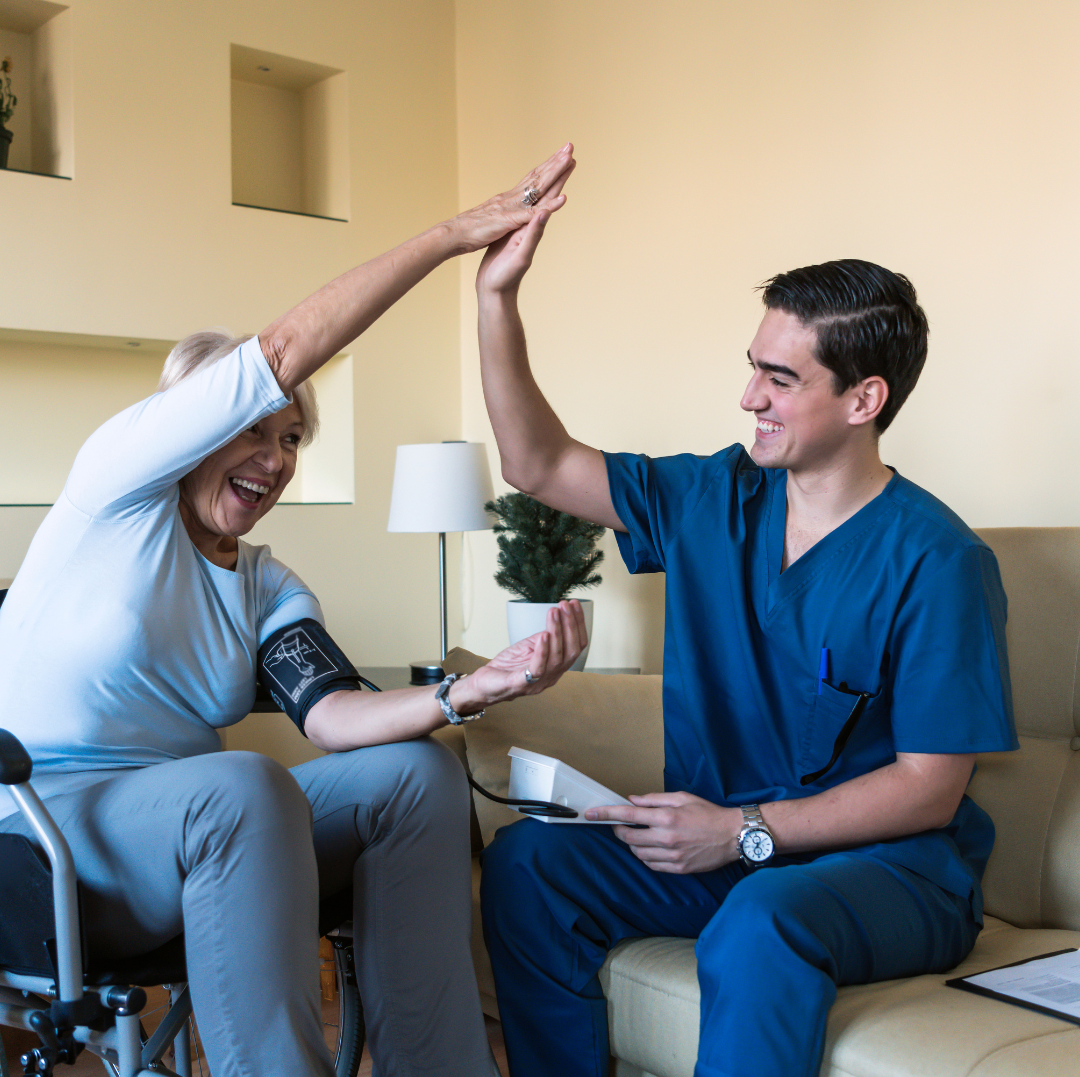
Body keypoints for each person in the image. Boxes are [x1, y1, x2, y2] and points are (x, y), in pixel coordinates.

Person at [0, 145, 583, 1077]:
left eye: (291, 439)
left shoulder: (266, 581)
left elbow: (334, 714)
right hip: (47, 840)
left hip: (204, 832)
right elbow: (281, 352)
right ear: (185, 430)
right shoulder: (114, 492)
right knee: (243, 786)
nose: (273, 459)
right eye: (251, 429)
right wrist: (446, 239)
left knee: (414, 777)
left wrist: (475, 690)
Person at [472, 204, 1018, 1077]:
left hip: (893, 874)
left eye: (780, 378)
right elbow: (535, 464)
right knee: (529, 864)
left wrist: (742, 832)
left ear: (863, 399)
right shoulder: (710, 498)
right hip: (732, 853)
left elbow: (929, 789)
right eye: (751, 368)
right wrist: (495, 297)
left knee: (763, 920)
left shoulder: (939, 561)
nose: (748, 397)